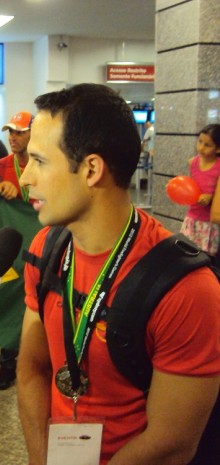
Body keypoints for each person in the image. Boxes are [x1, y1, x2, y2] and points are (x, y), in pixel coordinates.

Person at [16, 83, 220, 465]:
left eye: (39, 161)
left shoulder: (188, 289)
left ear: (91, 169)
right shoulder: (47, 248)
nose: (25, 177)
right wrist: (40, 457)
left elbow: (172, 442)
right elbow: (32, 369)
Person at [0, 110, 35, 390]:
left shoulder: (44, 164)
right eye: (11, 132)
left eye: (20, 132)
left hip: (41, 244)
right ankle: (7, 365)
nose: (13, 137)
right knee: (10, 302)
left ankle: (38, 363)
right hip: (13, 247)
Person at [180, 124, 220, 257]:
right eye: (200, 142)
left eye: (207, 145)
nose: (201, 147)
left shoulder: (218, 166)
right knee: (186, 254)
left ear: (218, 149)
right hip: (192, 217)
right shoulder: (193, 163)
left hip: (209, 222)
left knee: (205, 258)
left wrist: (210, 197)